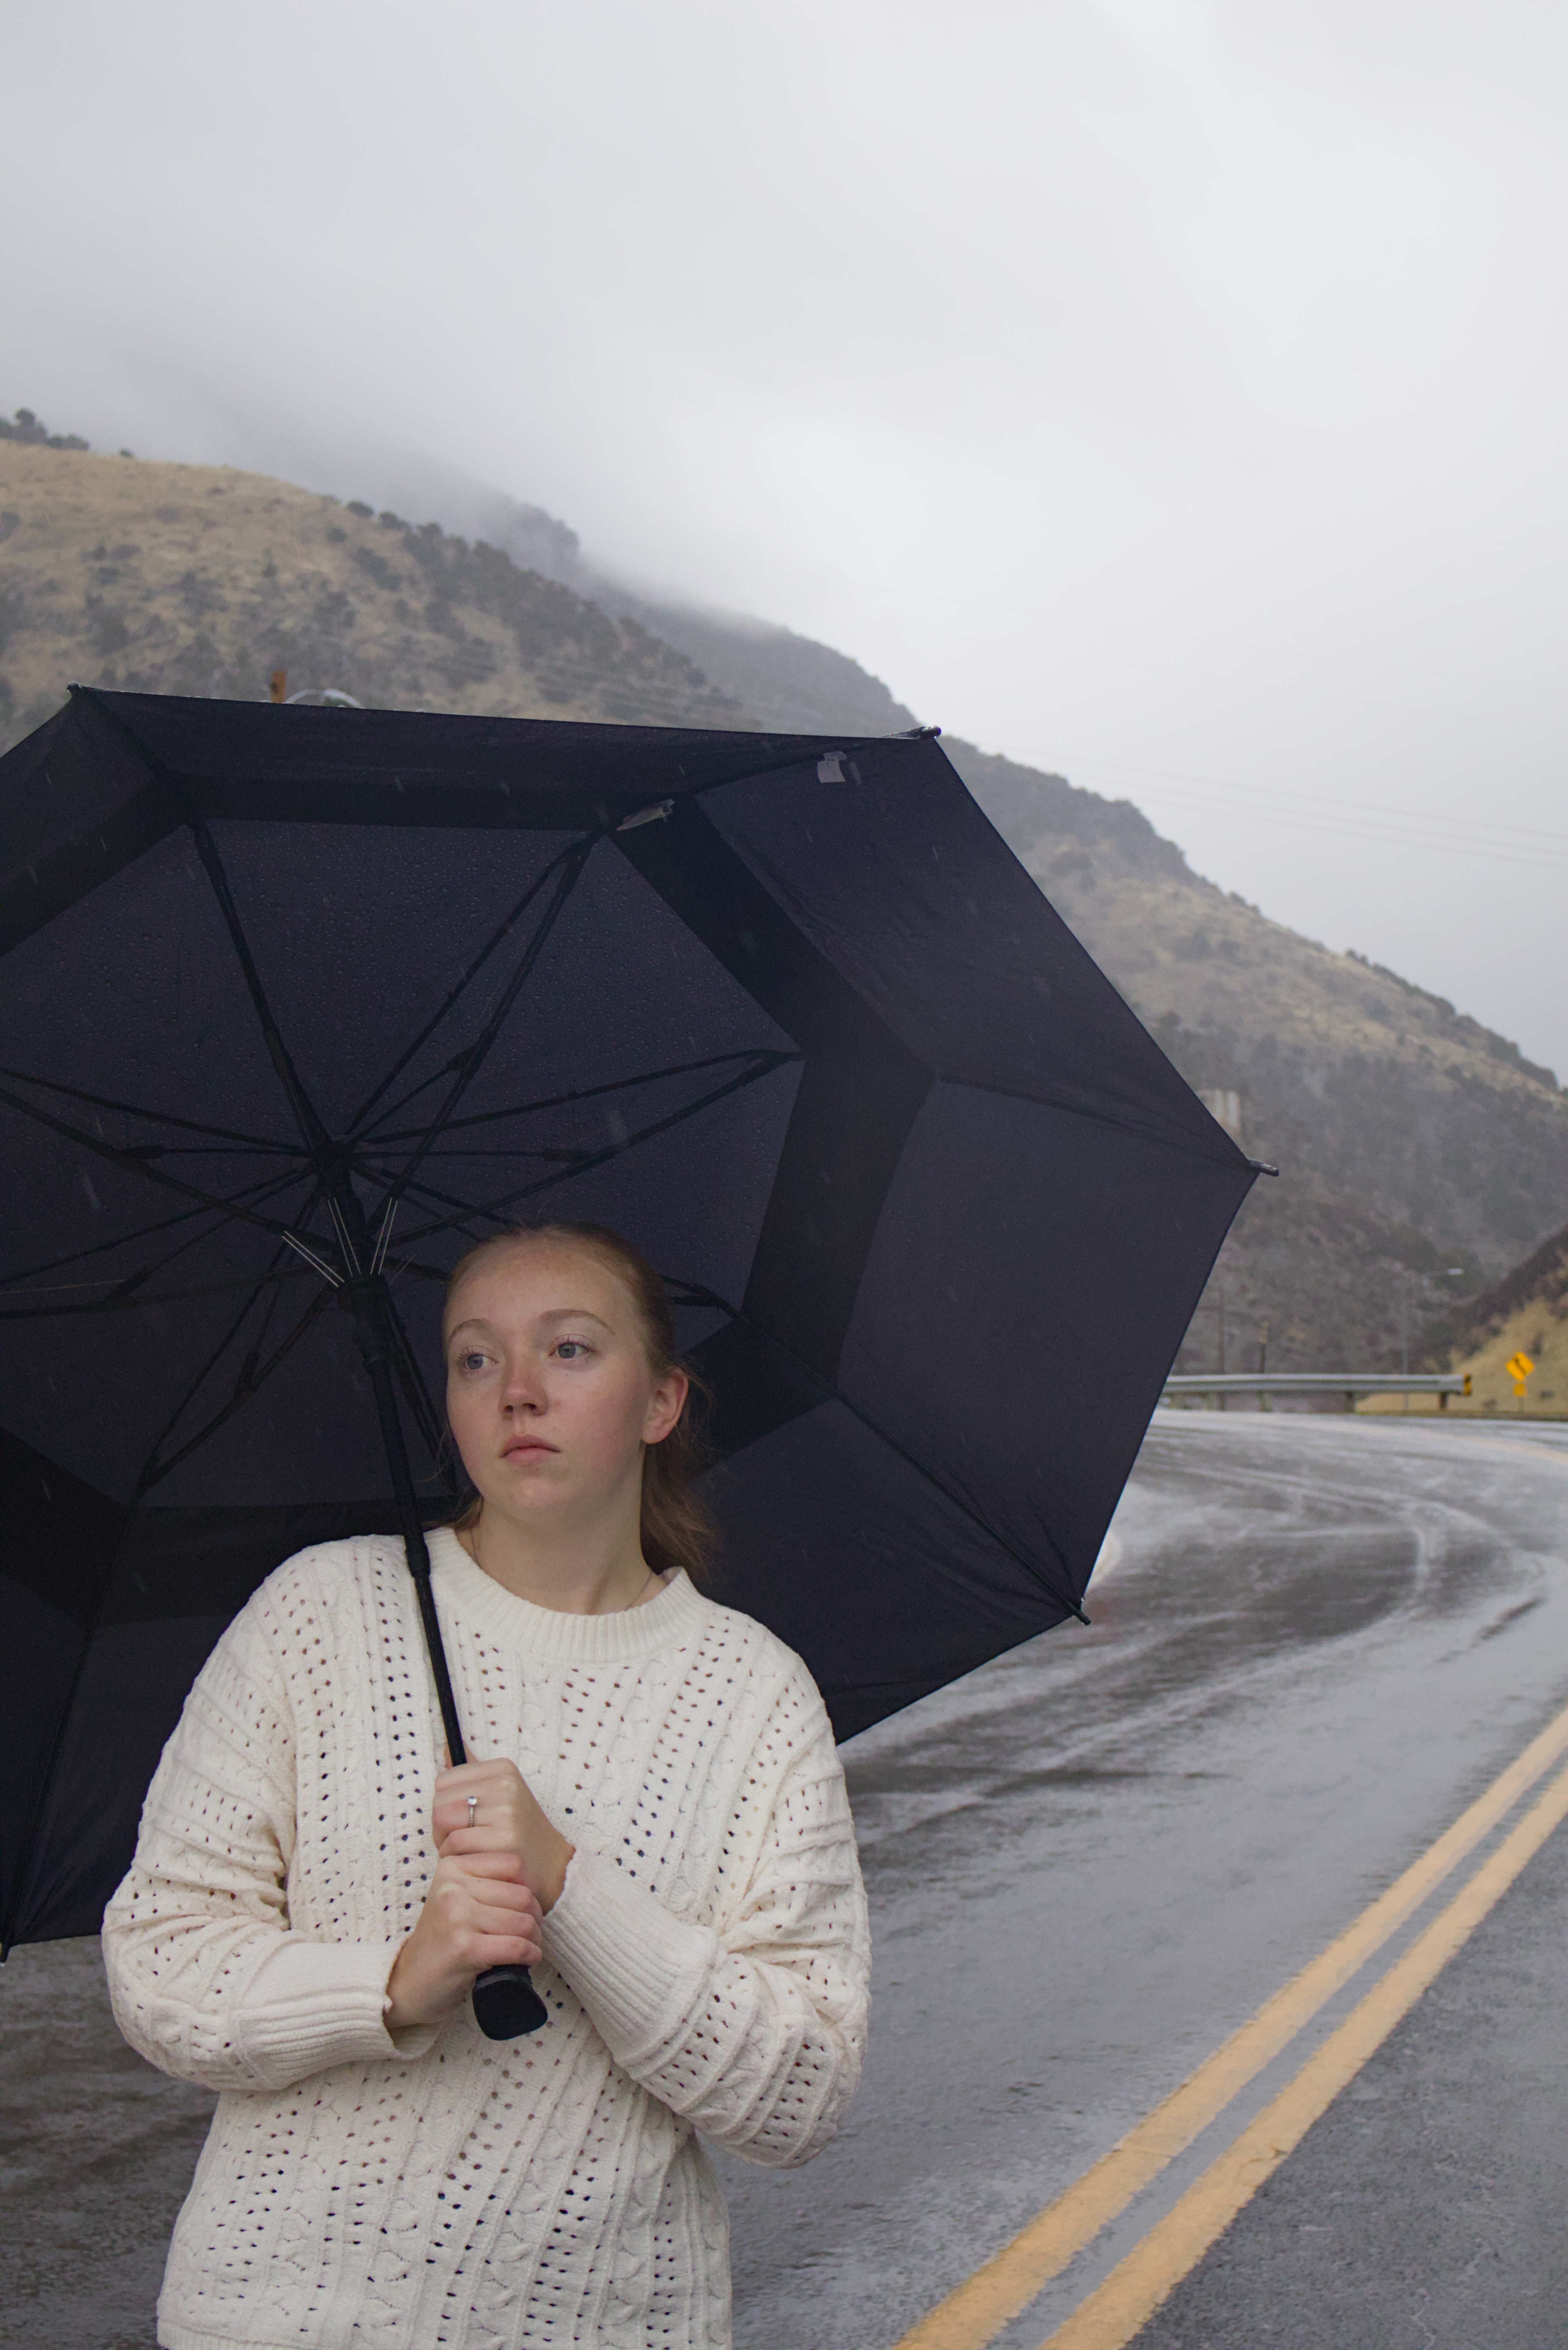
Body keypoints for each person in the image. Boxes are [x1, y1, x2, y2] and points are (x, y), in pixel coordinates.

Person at [103, 1220, 870, 2350]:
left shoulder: (752, 1694)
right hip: (279, 2319)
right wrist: (394, 1985)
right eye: (475, 1358)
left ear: (661, 1403)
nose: (517, 1391)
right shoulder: (320, 1617)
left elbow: (796, 2096)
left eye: (569, 1349)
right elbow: (159, 1965)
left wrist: (570, 1890)